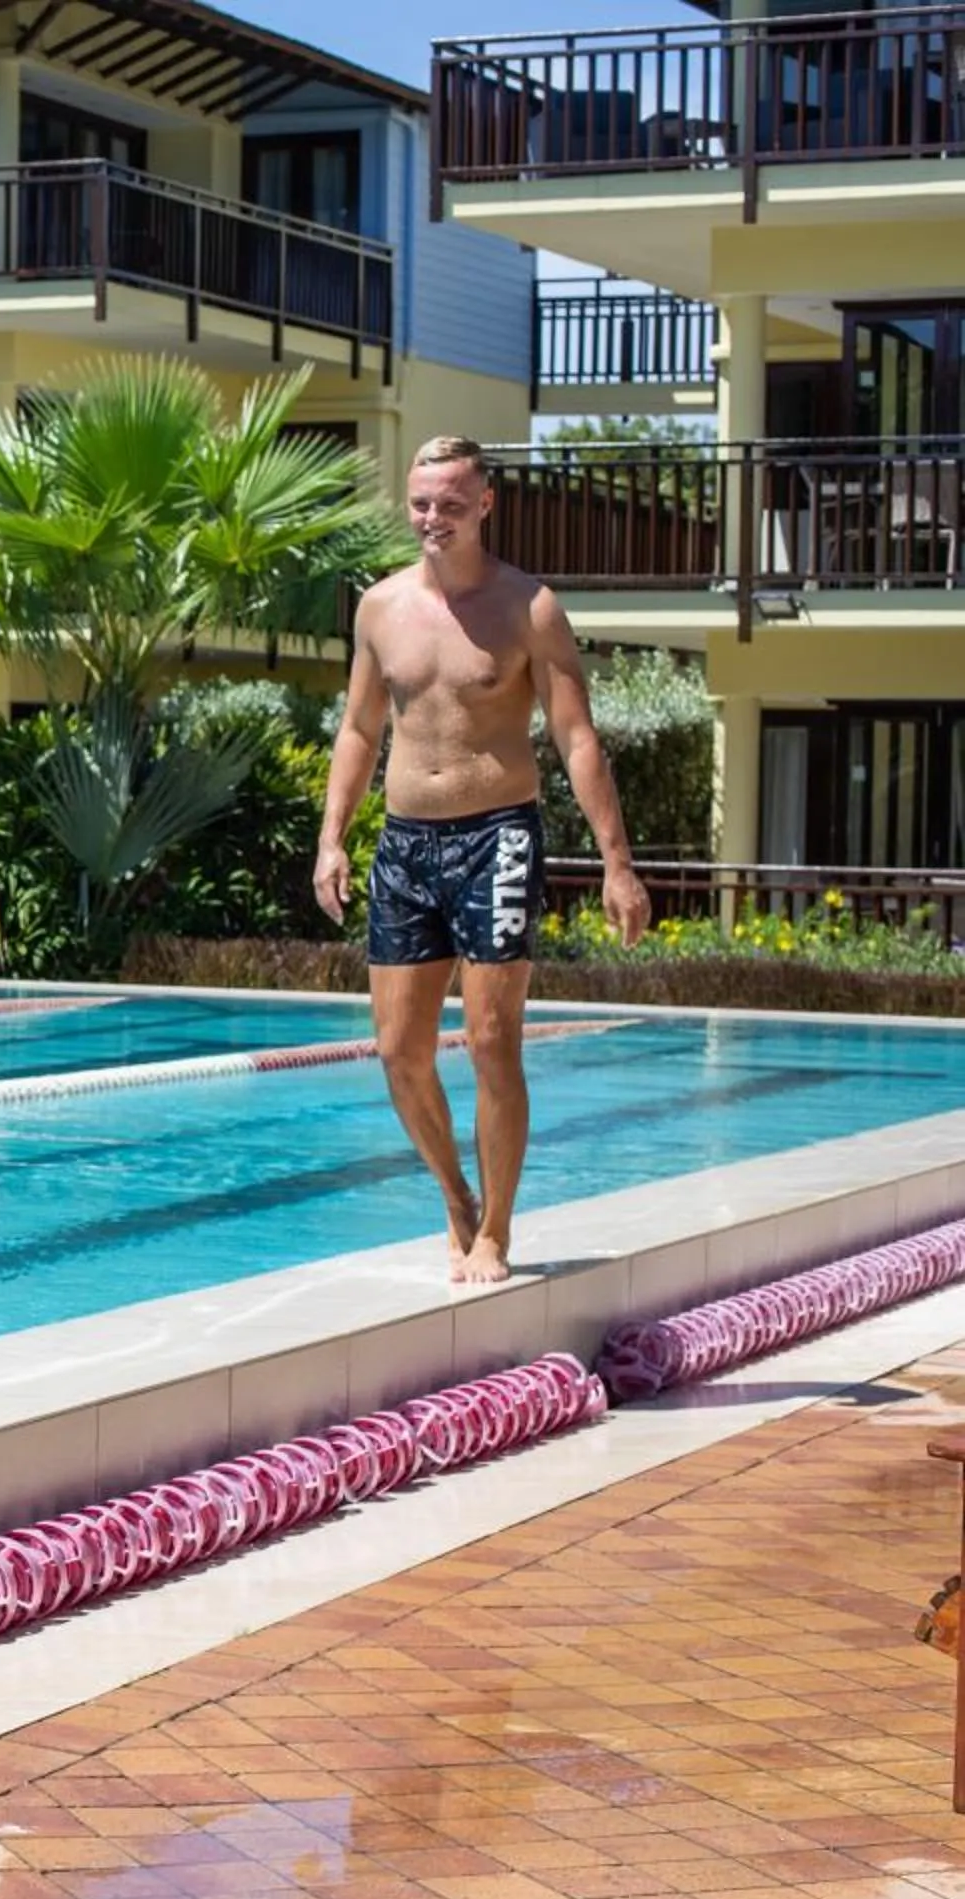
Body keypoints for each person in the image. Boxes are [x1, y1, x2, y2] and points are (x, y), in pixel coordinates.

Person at [316, 435, 650, 1286]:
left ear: (485, 504)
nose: (434, 517)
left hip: (496, 833)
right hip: (404, 841)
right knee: (398, 1050)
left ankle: (496, 1230)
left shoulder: (528, 607)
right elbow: (359, 729)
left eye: (451, 503)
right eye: (422, 502)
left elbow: (576, 738)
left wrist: (618, 863)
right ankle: (458, 1197)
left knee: (493, 1040)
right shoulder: (379, 609)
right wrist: (333, 836)